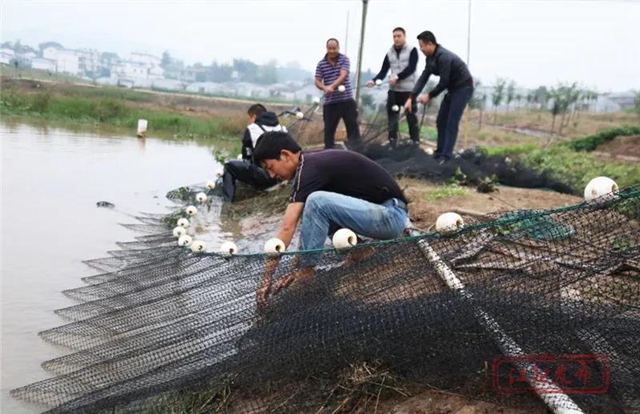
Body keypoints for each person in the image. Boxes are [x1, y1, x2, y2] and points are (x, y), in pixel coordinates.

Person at [252, 131, 408, 310]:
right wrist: (295, 265)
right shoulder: (309, 164)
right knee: (313, 205)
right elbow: (307, 225)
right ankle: (360, 251)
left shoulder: (308, 168)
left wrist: (266, 279)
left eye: (270, 167)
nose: (271, 175)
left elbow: (287, 227)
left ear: (285, 155)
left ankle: (306, 274)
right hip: (383, 213)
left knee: (317, 202)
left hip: (391, 215)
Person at [404, 31, 474, 163]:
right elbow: (423, 77)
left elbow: (444, 82)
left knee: (451, 122)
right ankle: (439, 153)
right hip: (452, 89)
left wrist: (429, 96)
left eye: (422, 46)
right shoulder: (430, 59)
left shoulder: (444, 57)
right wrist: (411, 98)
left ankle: (446, 157)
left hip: (463, 88)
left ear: (430, 44)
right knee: (441, 120)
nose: (421, 49)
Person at [366, 27, 420, 147]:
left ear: (404, 36)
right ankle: (392, 142)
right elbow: (383, 71)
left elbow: (411, 68)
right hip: (394, 91)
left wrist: (397, 77)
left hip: (409, 91)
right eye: (394, 36)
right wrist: (374, 81)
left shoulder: (412, 50)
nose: (396, 38)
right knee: (392, 119)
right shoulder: (389, 53)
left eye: (399, 36)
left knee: (411, 118)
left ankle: (415, 142)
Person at [220, 104, 285, 201]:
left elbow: (247, 158)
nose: (249, 121)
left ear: (254, 117)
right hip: (283, 174)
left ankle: (227, 202)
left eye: (249, 118)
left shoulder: (252, 129)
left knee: (229, 166)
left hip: (267, 176)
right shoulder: (282, 128)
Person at [315, 38, 361, 149]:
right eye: (330, 49)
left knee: (353, 128)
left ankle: (358, 153)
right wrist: (324, 87)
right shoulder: (321, 64)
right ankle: (329, 153)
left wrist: (332, 86)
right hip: (330, 103)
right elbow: (317, 81)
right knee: (329, 132)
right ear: (327, 49)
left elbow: (343, 75)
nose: (332, 51)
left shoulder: (344, 59)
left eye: (334, 48)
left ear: (338, 48)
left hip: (346, 101)